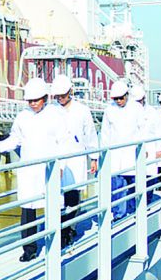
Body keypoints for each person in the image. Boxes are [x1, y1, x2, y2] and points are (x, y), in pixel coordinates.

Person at [0, 78, 73, 262]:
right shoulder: (22, 117)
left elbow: (64, 143)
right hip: (29, 170)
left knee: (53, 207)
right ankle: (29, 249)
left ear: (44, 98)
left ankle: (56, 243)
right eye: (30, 101)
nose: (32, 104)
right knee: (27, 209)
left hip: (50, 169)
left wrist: (61, 166)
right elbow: (15, 139)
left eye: (36, 100)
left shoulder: (55, 115)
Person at [50, 74, 97, 247]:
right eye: (58, 96)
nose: (60, 99)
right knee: (57, 197)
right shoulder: (51, 111)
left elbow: (90, 134)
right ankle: (59, 229)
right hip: (57, 159)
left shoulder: (82, 110)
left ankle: (69, 229)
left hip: (76, 158)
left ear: (70, 91)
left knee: (73, 195)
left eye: (63, 95)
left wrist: (94, 157)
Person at [100, 81, 142, 220]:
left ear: (127, 95)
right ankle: (119, 214)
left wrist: (144, 148)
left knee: (134, 184)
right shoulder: (109, 110)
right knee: (118, 186)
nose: (118, 101)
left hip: (132, 151)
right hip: (115, 153)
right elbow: (105, 132)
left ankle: (135, 209)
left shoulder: (136, 108)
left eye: (121, 98)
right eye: (115, 98)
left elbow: (143, 129)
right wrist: (104, 152)